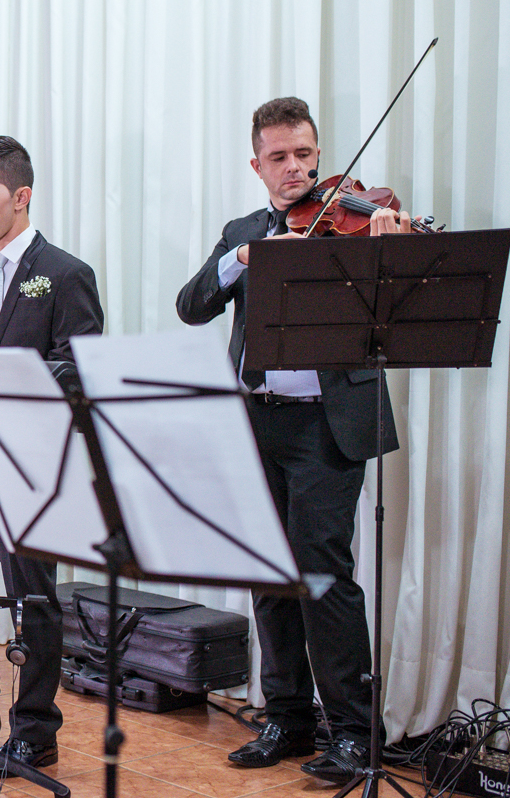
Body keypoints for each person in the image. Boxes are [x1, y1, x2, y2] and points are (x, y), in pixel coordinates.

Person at [176, 97, 409, 784]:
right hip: (255, 420)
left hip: (327, 424)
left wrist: (393, 245)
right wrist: (244, 256)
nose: (296, 168)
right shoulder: (244, 231)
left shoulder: (357, 218)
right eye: (279, 157)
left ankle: (352, 731)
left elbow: (398, 308)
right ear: (257, 164)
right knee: (269, 575)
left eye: (305, 154)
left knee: (323, 574)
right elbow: (192, 306)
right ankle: (287, 715)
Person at [0, 136, 104, 777]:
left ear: (21, 196)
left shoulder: (64, 274)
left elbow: (82, 365)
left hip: (37, 459)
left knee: (31, 596)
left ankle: (35, 729)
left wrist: (20, 377)